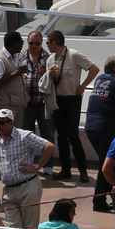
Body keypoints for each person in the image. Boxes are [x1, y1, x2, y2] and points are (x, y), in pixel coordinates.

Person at [44, 30, 96, 183]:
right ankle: (65, 169)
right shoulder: (50, 59)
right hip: (58, 101)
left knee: (73, 136)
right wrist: (50, 75)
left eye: (47, 43)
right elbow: (48, 81)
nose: (46, 46)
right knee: (61, 137)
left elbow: (94, 69)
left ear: (54, 43)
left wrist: (83, 86)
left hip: (73, 100)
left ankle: (83, 170)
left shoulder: (74, 55)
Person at [85, 56, 115, 212]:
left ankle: (110, 194)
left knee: (105, 162)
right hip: (106, 128)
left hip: (90, 127)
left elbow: (112, 98)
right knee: (106, 166)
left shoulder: (100, 78)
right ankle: (99, 201)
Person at [0, 32, 29, 134]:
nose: (22, 44)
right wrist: (16, 73)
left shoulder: (16, 57)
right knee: (3, 133)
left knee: (16, 135)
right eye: (21, 42)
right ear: (14, 43)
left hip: (18, 104)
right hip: (5, 105)